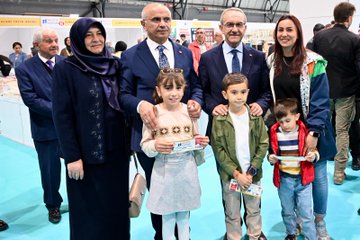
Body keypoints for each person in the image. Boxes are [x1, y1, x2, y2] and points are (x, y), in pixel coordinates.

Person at [120, 3, 203, 239]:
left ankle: (182, 232)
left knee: (184, 188)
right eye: (155, 19)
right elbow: (122, 94)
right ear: (143, 24)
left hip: (182, 137)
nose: (162, 24)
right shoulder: (130, 56)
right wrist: (140, 104)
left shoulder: (184, 53)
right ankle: (162, 234)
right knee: (159, 191)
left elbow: (195, 87)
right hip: (150, 137)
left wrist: (196, 101)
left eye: (166, 19)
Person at [52, 18, 131, 240]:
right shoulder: (66, 68)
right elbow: (61, 115)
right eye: (89, 35)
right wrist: (72, 156)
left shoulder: (115, 65)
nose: (96, 39)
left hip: (117, 153)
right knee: (89, 211)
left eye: (99, 33)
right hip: (86, 155)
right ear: (77, 39)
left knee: (116, 208)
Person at [198, 8, 271, 239]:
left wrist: (260, 104)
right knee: (228, 186)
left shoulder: (257, 56)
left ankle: (255, 230)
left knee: (252, 189)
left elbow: (266, 92)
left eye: (239, 24)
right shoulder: (209, 57)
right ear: (221, 28)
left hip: (250, 133)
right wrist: (212, 107)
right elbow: (203, 89)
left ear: (245, 28)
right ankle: (233, 230)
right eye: (229, 24)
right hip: (222, 135)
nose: (234, 29)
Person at [267, 14, 336, 240]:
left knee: (317, 176)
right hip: (286, 133)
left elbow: (321, 99)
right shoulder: (272, 61)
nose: (284, 34)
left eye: (289, 30)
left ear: (298, 34)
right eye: (280, 30)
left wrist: (314, 133)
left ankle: (319, 222)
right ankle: (297, 219)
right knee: (289, 177)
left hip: (311, 130)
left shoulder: (313, 62)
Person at [141, 68, 209, 240]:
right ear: (158, 90)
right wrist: (155, 145)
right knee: (167, 218)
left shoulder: (189, 111)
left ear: (184, 89)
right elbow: (145, 144)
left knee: (184, 217)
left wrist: (200, 143)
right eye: (168, 88)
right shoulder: (153, 113)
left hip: (187, 171)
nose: (174, 93)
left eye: (178, 88)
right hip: (164, 172)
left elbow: (195, 138)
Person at [211, 73, 268, 240]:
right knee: (232, 212)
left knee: (254, 210)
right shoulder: (220, 119)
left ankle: (254, 235)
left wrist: (250, 172)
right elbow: (219, 150)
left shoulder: (255, 116)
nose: (239, 97)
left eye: (243, 92)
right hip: (230, 177)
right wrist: (237, 174)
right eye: (234, 92)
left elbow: (263, 144)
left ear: (248, 92)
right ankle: (233, 236)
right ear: (225, 94)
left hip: (252, 176)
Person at [16, 28, 64, 224]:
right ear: (37, 45)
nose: (54, 44)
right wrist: (60, 110)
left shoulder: (65, 63)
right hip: (46, 128)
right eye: (48, 41)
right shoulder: (25, 69)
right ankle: (53, 205)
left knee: (79, 167)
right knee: (50, 170)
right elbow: (31, 99)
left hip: (72, 128)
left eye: (55, 40)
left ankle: (82, 200)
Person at [313, 2, 360, 185]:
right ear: (349, 18)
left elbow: (313, 64)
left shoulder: (319, 37)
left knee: (321, 128)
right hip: (346, 92)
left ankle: (318, 168)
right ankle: (339, 173)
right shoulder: (355, 40)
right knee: (342, 132)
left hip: (323, 91)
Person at [268, 98, 318, 240]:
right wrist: (271, 158)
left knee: (306, 213)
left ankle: (311, 237)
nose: (284, 125)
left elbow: (315, 151)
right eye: (281, 122)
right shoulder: (274, 132)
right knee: (287, 210)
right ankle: (291, 233)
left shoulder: (305, 131)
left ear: (297, 116)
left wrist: (313, 156)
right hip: (284, 179)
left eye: (288, 120)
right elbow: (272, 152)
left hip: (303, 181)